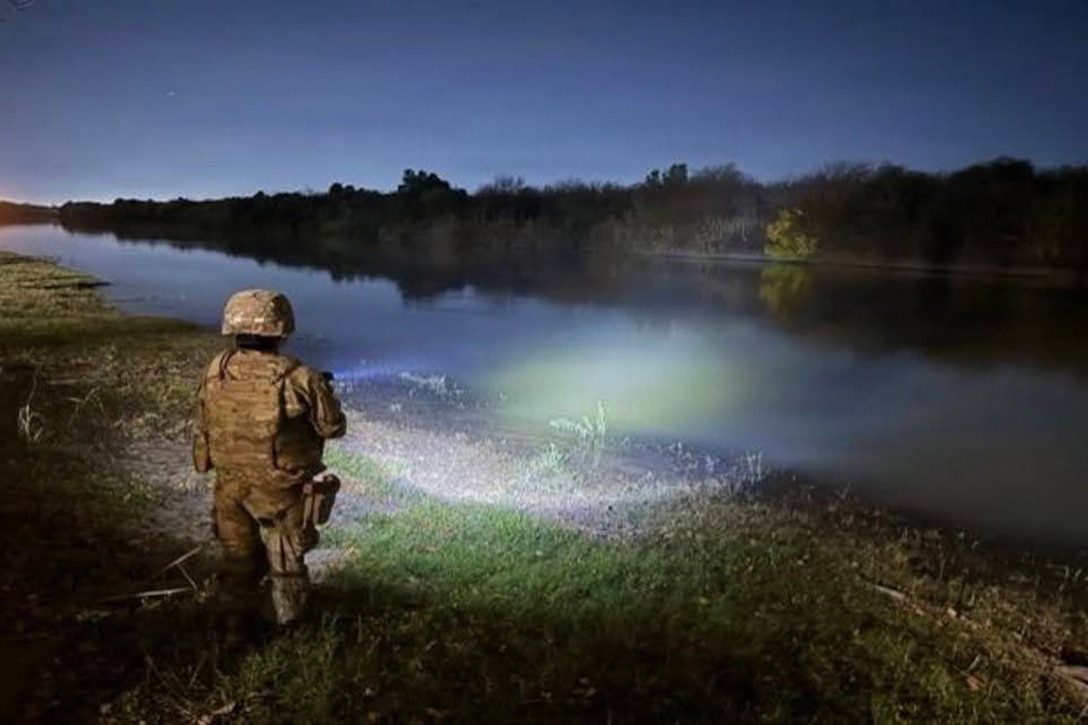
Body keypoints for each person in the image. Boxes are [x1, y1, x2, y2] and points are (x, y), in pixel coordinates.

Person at [192, 288, 346, 644]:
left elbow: (203, 422)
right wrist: (324, 393)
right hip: (280, 491)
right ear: (281, 329)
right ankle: (290, 633)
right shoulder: (299, 377)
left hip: (229, 488)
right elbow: (333, 428)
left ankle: (235, 630)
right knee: (287, 565)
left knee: (238, 561)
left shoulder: (217, 369)